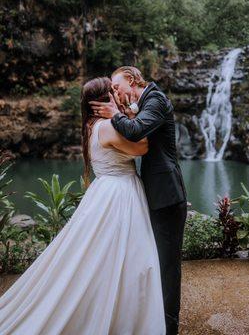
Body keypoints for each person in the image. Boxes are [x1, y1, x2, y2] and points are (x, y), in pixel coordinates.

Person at [0, 77, 166, 335]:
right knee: (131, 257)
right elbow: (143, 145)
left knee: (103, 256)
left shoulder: (91, 125)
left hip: (106, 191)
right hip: (119, 195)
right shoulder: (109, 127)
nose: (117, 93)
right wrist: (127, 114)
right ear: (103, 101)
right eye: (112, 90)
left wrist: (122, 113)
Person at [90, 66, 188, 335]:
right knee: (152, 261)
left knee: (168, 266)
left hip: (167, 196)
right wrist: (124, 113)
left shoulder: (155, 99)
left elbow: (137, 131)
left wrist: (114, 115)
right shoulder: (143, 103)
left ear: (131, 80)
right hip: (155, 194)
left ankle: (169, 328)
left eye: (117, 85)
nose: (115, 91)